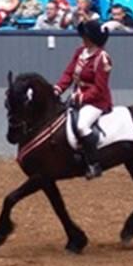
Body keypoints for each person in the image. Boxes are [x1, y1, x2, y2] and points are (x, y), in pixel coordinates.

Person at [53, 20, 112, 178]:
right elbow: (68, 73)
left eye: (85, 36)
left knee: (81, 126)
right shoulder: (80, 52)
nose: (82, 38)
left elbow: (100, 87)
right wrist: (58, 89)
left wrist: (82, 97)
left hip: (96, 101)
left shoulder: (102, 58)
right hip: (76, 96)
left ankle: (93, 164)